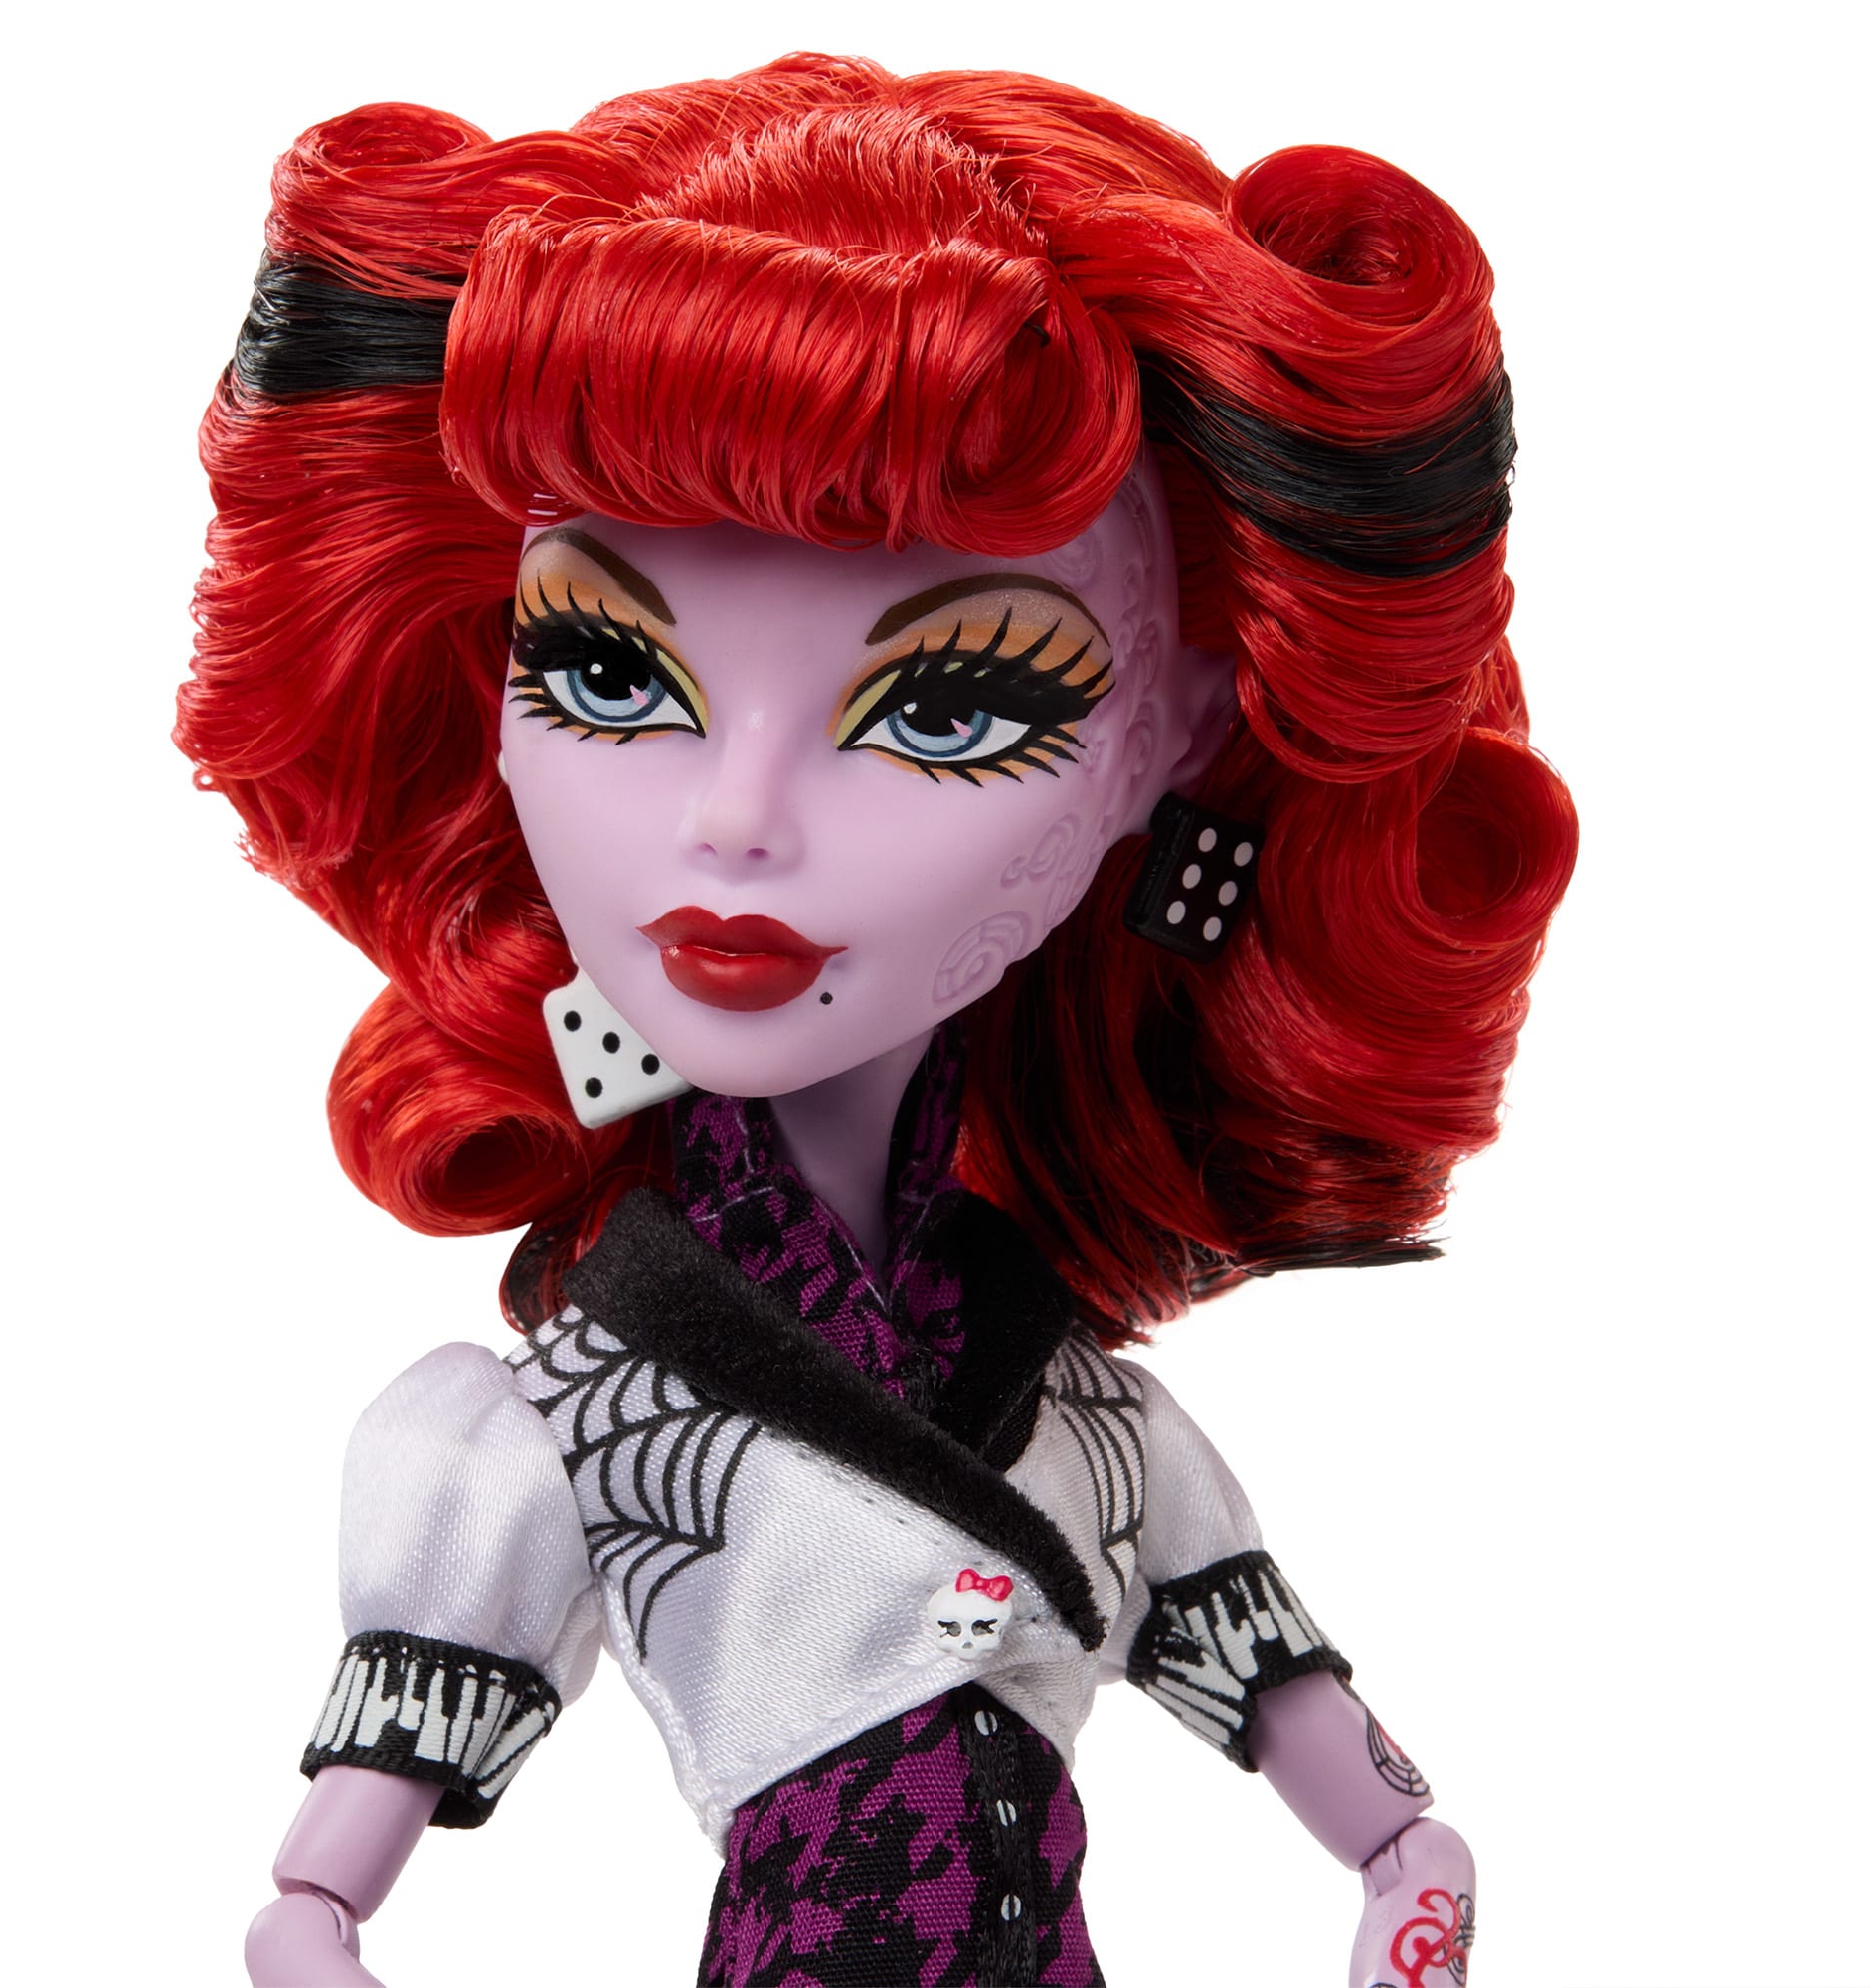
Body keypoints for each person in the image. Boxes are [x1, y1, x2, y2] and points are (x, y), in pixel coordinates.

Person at [183, 53, 1574, 1987]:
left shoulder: (1093, 1419)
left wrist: (1414, 1897)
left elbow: (1397, 1828)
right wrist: (311, 1930)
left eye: (946, 704)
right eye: (608, 670)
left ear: (1172, 735)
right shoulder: (570, 1417)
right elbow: (310, 1905)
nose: (735, 819)